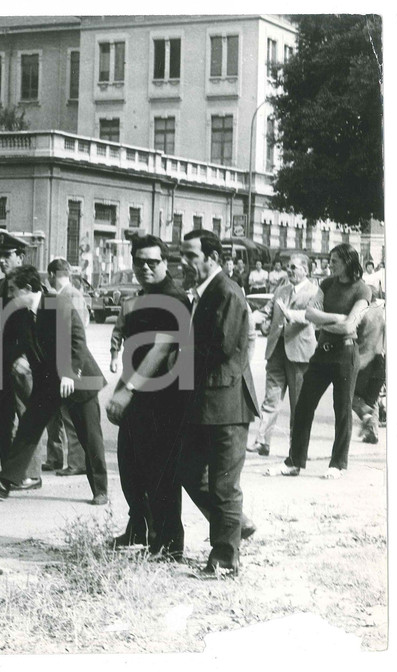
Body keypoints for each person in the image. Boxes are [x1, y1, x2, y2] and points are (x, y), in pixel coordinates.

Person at [0, 265, 109, 505]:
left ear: (28, 288)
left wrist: (70, 373)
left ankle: (100, 490)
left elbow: (77, 338)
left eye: (12, 290)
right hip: (48, 382)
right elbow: (1, 341)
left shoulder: (57, 303)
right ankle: (5, 482)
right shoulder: (20, 314)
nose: (9, 295)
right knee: (28, 428)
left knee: (89, 436)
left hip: (78, 379)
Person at [178, 230, 258, 577]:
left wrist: (179, 359)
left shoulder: (226, 291)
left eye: (191, 255)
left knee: (223, 484)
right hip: (208, 403)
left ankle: (225, 559)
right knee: (192, 473)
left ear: (211, 256)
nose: (184, 262)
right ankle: (235, 525)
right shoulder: (207, 291)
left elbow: (222, 348)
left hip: (226, 404)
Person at [104, 234, 188, 558]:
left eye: (153, 261)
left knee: (161, 472)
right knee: (130, 464)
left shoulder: (174, 298)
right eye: (140, 261)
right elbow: (133, 352)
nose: (146, 267)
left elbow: (160, 349)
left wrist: (128, 391)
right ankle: (138, 528)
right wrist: (121, 389)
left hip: (163, 398)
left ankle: (168, 543)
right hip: (138, 393)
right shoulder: (142, 297)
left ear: (165, 263)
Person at [268, 244, 371, 479]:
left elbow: (349, 326)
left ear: (347, 262)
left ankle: (338, 464)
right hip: (321, 353)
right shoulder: (326, 284)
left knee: (342, 409)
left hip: (345, 354)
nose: (329, 265)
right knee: (304, 405)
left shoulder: (362, 290)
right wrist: (336, 318)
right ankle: (294, 462)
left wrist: (325, 321)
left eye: (334, 261)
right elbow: (309, 313)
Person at [248, 254, 318, 457]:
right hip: (276, 351)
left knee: (298, 404)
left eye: (294, 267)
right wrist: (248, 318)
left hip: (299, 354)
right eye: (288, 267)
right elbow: (267, 311)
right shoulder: (281, 289)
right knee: (270, 399)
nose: (290, 270)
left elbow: (310, 316)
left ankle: (296, 449)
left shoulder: (315, 292)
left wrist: (289, 313)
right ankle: (262, 441)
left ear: (306, 270)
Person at [0, 232, 43, 489]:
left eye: (7, 255)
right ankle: (10, 473)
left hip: (25, 362)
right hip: (2, 359)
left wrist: (28, 357)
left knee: (28, 415)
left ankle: (32, 474)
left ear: (20, 256)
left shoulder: (32, 284)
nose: (2, 260)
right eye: (0, 255)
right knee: (0, 417)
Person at [44, 258, 89, 477]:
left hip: (67, 364)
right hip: (56, 363)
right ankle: (54, 458)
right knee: (53, 415)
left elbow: (77, 335)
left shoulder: (69, 296)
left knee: (69, 415)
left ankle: (76, 462)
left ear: (51, 274)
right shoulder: (69, 294)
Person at [352, 301, 385, 444]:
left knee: (350, 396)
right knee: (372, 400)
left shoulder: (363, 312)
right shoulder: (382, 313)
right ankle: (372, 432)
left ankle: (366, 416)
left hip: (365, 361)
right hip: (381, 361)